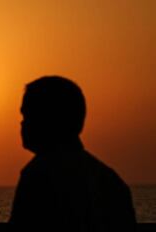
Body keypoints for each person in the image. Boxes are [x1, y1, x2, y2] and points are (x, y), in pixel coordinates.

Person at [9, 76, 137, 231]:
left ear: (48, 119)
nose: (22, 123)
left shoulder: (40, 175)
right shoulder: (112, 182)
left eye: (27, 115)